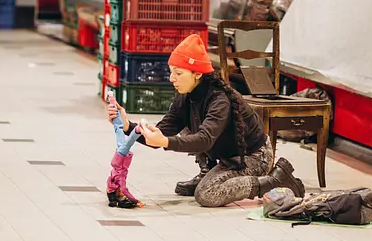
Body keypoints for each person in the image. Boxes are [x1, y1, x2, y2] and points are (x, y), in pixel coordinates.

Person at [107, 34, 305, 208]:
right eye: (171, 72)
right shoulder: (185, 96)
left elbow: (204, 140)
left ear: (197, 74)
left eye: (178, 73)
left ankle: (274, 181)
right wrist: (127, 126)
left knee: (206, 194)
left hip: (253, 155)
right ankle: (208, 171)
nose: (171, 79)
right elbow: (161, 132)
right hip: (225, 152)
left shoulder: (219, 100)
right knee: (187, 129)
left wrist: (165, 142)